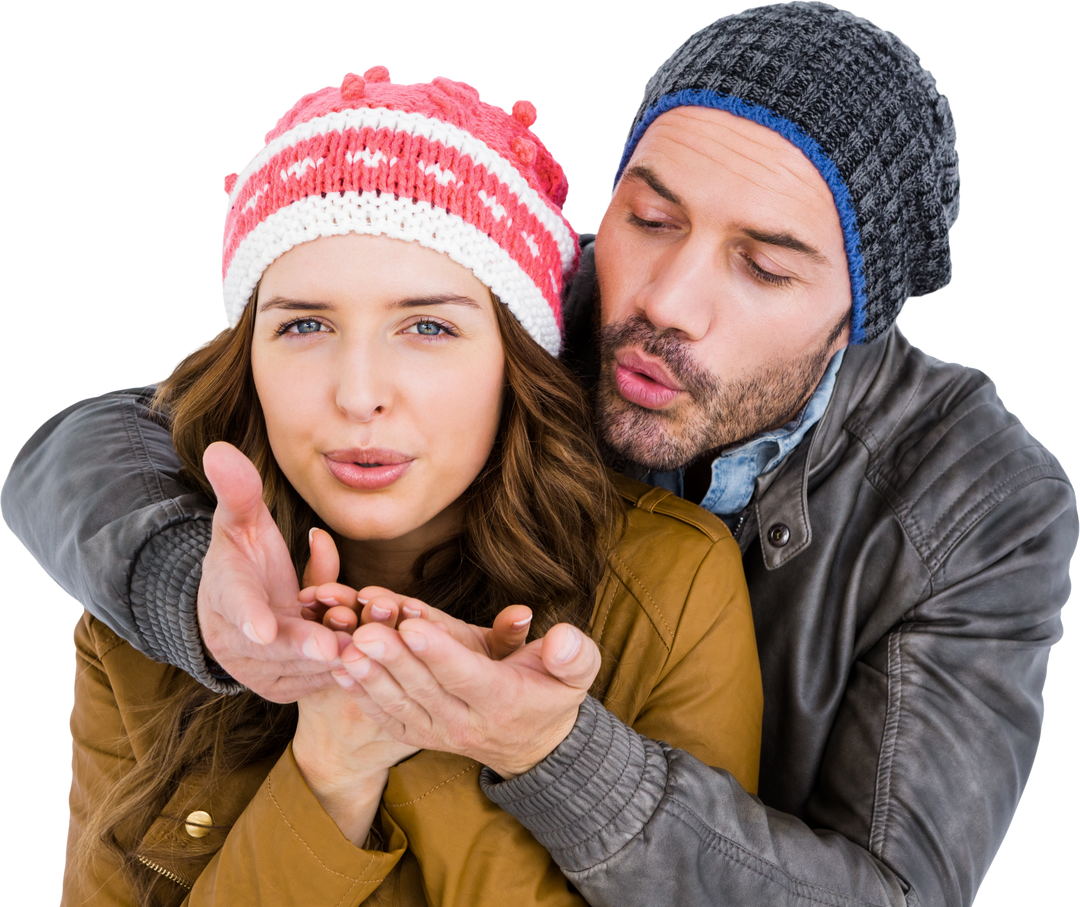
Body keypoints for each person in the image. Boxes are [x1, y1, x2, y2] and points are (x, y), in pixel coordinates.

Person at [1, 2, 1074, 905]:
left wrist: (550, 751)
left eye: (765, 266)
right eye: (651, 218)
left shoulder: (978, 507)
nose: (661, 301)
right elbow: (121, 431)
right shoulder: (519, 293)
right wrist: (189, 589)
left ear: (858, 317)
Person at [18, 68, 762, 904]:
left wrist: (482, 745)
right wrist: (332, 767)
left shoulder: (670, 585)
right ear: (249, 357)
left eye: (429, 326)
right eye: (304, 324)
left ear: (516, 362)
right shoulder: (153, 619)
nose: (360, 391)